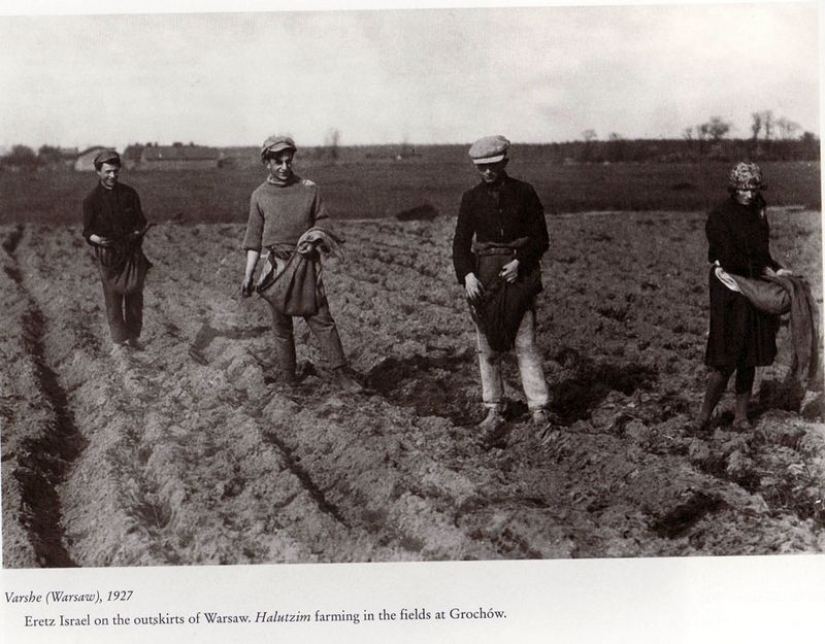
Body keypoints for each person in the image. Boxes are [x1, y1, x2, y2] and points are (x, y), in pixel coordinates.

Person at [242, 135, 362, 392]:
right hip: (275, 269)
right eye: (278, 162)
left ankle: (342, 376)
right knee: (281, 327)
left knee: (321, 319)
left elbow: (324, 222)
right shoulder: (260, 196)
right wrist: (248, 276)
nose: (284, 167)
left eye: (288, 161)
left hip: (305, 266)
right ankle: (288, 379)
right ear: (267, 162)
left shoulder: (309, 189)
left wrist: (316, 237)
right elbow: (253, 240)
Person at [452, 135, 552, 441]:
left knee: (525, 343)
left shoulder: (524, 193)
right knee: (488, 346)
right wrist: (467, 275)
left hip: (518, 277)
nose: (487, 172)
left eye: (492, 165)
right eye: (481, 167)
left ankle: (539, 409)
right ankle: (493, 408)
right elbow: (460, 244)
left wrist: (520, 261)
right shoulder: (471, 199)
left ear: (504, 162)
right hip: (485, 277)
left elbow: (540, 238)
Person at [695, 161, 792, 431]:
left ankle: (741, 416)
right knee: (726, 356)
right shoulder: (720, 216)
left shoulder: (758, 212)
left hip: (753, 285)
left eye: (754, 189)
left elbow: (762, 251)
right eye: (744, 189)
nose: (750, 194)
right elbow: (727, 257)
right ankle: (703, 416)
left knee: (749, 354)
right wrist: (763, 272)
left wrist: (776, 268)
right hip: (729, 288)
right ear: (734, 188)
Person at [82, 149, 152, 352]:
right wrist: (99, 240)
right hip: (108, 256)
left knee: (135, 299)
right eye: (108, 172)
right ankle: (118, 343)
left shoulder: (129, 194)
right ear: (98, 172)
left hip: (131, 253)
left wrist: (138, 232)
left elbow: (141, 220)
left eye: (116, 172)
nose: (112, 176)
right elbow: (87, 231)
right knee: (113, 300)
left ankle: (133, 338)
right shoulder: (91, 200)